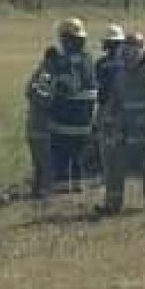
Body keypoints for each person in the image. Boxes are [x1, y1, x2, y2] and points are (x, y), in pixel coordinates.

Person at [97, 32, 145, 216]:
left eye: (132, 53)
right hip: (125, 133)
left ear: (141, 54)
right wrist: (109, 119)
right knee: (115, 169)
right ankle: (113, 205)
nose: (128, 58)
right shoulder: (120, 77)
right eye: (126, 53)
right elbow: (115, 101)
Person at [47, 18, 98, 192]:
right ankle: (77, 190)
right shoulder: (88, 59)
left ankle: (61, 194)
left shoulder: (67, 62)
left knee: (61, 159)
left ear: (67, 39)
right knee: (77, 160)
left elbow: (68, 88)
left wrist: (53, 73)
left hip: (65, 122)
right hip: (84, 123)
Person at [23, 46, 59, 199]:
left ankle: (37, 191)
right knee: (46, 163)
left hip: (33, 125)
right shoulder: (46, 75)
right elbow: (43, 99)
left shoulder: (39, 72)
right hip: (42, 126)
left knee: (38, 163)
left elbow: (29, 90)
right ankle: (44, 193)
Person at [91, 25, 126, 177]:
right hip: (123, 109)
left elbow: (96, 87)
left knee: (105, 143)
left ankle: (107, 172)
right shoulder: (127, 63)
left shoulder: (100, 64)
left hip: (106, 107)